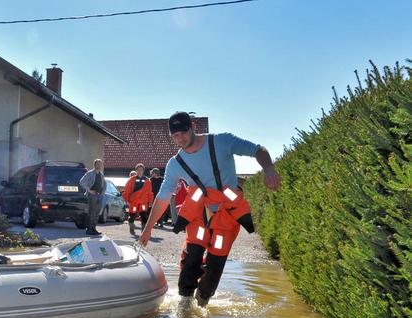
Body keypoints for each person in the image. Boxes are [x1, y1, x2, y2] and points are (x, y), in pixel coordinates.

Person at [139, 111, 280, 307]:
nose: (180, 139)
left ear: (193, 127)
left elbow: (258, 150)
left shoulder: (222, 142)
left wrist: (269, 169)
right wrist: (148, 228)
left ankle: (203, 302)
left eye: (183, 132)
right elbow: (163, 197)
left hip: (226, 220)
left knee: (214, 269)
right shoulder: (175, 164)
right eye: (175, 136)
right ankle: (185, 307)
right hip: (199, 220)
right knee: (191, 262)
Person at [122, 163, 153, 235]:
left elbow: (150, 192)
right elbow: (127, 190)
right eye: (138, 170)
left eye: (141, 170)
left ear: (143, 171)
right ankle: (131, 227)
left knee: (144, 216)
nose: (140, 171)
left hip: (143, 202)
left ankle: (143, 231)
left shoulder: (147, 180)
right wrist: (126, 200)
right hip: (133, 202)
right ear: (136, 170)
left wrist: (150, 202)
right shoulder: (132, 180)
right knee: (132, 215)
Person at [79, 158, 106, 235]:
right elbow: (81, 182)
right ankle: (89, 229)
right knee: (92, 213)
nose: (99, 165)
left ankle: (94, 228)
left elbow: (104, 184)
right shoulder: (90, 173)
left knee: (97, 213)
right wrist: (89, 190)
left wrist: (103, 193)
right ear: (94, 165)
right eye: (97, 164)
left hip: (99, 195)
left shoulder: (101, 174)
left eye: (100, 164)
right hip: (92, 195)